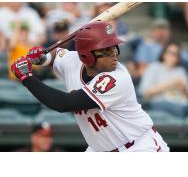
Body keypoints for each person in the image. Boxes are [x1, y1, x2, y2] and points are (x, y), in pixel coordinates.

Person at [11, 21, 169, 152]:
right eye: (106, 50)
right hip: (100, 150)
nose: (114, 54)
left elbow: (64, 103)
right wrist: (42, 58)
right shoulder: (73, 61)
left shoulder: (116, 78)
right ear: (86, 55)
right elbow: (55, 56)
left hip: (138, 147)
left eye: (114, 47)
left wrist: (27, 78)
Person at [139, 42, 188, 118]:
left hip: (182, 102)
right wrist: (170, 84)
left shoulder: (181, 70)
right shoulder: (154, 67)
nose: (172, 56)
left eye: (176, 54)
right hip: (160, 102)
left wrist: (183, 87)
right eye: (170, 53)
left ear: (179, 58)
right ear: (164, 54)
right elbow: (145, 93)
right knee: (180, 109)